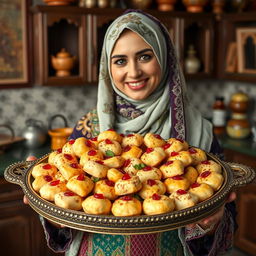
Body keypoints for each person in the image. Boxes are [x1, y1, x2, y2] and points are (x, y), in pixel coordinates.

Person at [25, 9, 237, 256]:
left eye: (145, 56)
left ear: (164, 57)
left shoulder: (201, 132)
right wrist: (51, 215)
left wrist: (210, 225)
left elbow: (227, 224)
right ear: (108, 66)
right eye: (120, 61)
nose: (134, 72)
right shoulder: (88, 128)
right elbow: (65, 219)